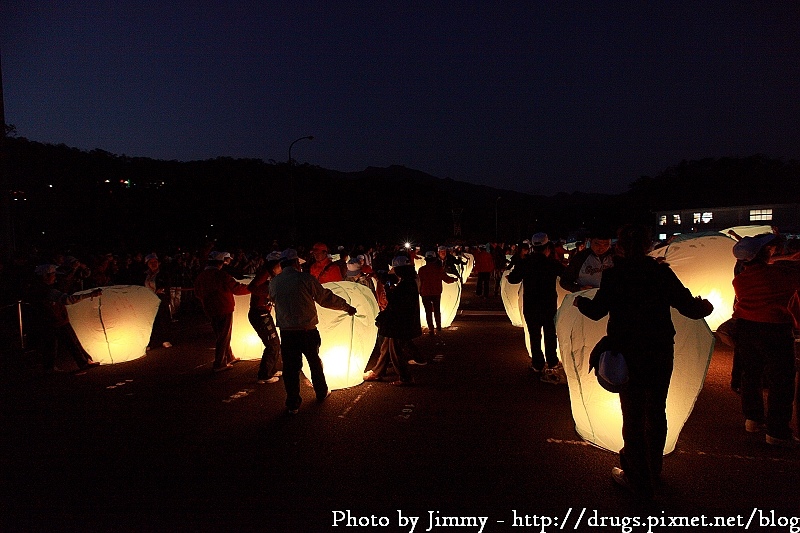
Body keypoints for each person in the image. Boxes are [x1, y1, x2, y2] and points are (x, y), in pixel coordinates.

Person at [574, 224, 713, 500]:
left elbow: (597, 311)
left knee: (633, 415)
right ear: (649, 245)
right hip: (659, 350)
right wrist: (706, 305)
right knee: (656, 410)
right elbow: (691, 308)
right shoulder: (661, 273)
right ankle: (653, 469)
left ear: (621, 247)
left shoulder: (615, 275)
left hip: (627, 353)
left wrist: (580, 303)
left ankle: (636, 477)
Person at [731, 233, 800, 447]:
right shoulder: (779, 275)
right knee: (781, 380)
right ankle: (777, 431)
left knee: (751, 374)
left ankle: (753, 419)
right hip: (775, 329)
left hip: (745, 328)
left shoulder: (740, 279)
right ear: (763, 254)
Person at [269, 249, 357, 414]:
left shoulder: (274, 283)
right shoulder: (305, 279)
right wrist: (346, 307)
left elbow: (273, 300)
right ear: (296, 263)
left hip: (287, 332)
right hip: (307, 330)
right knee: (314, 362)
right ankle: (321, 392)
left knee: (290, 368)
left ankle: (293, 403)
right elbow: (325, 298)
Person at [506, 233, 566, 384]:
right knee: (550, 334)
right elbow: (567, 275)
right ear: (547, 248)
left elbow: (513, 279)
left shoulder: (526, 262)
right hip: (548, 304)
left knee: (534, 335)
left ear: (533, 247)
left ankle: (537, 364)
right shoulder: (552, 263)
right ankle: (552, 362)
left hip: (531, 304)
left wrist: (509, 277)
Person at [28, 264, 102, 373]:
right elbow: (68, 300)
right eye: (53, 275)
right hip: (57, 321)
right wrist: (90, 295)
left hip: (50, 321)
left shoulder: (39, 290)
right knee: (71, 342)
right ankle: (83, 362)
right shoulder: (48, 291)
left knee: (51, 345)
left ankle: (50, 367)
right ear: (45, 276)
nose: (55, 277)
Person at [363, 256, 423, 384]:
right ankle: (378, 371)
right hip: (399, 320)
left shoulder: (406, 284)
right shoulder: (409, 281)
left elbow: (396, 301)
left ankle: (405, 378)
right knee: (386, 346)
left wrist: (389, 289)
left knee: (395, 350)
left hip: (399, 322)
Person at [193, 251, 250, 373]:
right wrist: (252, 288)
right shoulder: (221, 275)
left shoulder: (201, 276)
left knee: (220, 334)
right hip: (224, 307)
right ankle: (219, 363)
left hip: (210, 309)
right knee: (224, 335)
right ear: (220, 262)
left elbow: (197, 292)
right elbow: (236, 289)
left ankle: (229, 357)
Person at [248, 252, 284, 384]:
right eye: (280, 265)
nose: (281, 268)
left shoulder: (272, 276)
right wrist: (269, 294)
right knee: (272, 343)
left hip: (263, 312)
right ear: (274, 264)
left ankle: (271, 370)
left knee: (274, 342)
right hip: (259, 313)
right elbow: (251, 287)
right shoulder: (265, 274)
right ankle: (265, 374)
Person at [418, 250, 456, 335]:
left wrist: (420, 291)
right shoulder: (438, 269)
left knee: (428, 311)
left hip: (425, 293)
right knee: (437, 309)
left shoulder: (421, 270)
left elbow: (419, 282)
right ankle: (438, 326)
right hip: (436, 292)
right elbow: (446, 279)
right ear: (435, 259)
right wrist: (454, 279)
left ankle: (431, 328)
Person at [141, 253, 173, 349]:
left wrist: (161, 290)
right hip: (148, 300)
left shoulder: (163, 273)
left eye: (155, 262)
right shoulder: (145, 274)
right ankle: (151, 341)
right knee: (151, 321)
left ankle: (166, 339)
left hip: (160, 299)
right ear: (147, 264)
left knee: (163, 318)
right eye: (151, 262)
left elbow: (166, 284)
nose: (154, 264)